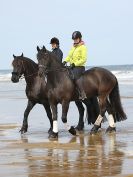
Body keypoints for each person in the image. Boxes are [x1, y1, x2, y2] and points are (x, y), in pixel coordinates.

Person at [63, 31, 87, 100]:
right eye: (74, 39)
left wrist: (74, 64)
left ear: (79, 38)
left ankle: (82, 93)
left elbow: (83, 59)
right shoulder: (73, 47)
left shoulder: (83, 47)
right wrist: (64, 61)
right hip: (72, 66)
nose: (75, 40)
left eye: (76, 39)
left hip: (79, 67)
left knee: (75, 77)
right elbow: (69, 56)